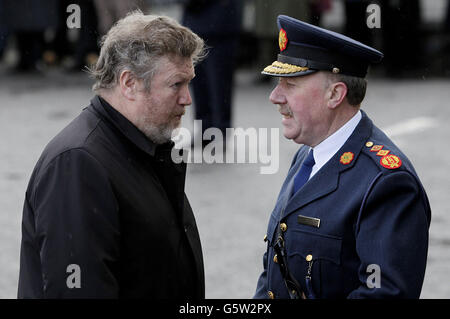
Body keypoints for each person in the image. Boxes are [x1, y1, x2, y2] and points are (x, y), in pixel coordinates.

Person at [18, 11, 206, 298]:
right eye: (176, 85)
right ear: (129, 83)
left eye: (189, 82)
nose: (187, 99)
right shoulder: (78, 163)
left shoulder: (145, 142)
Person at [254, 15, 431, 299]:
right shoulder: (308, 156)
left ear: (335, 95)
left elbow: (384, 294)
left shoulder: (386, 182)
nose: (275, 96)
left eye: (290, 84)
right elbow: (275, 270)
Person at [182, 0, 242, 142]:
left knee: (219, 84)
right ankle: (205, 129)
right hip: (197, 24)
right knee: (199, 84)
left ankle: (220, 130)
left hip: (218, 24)